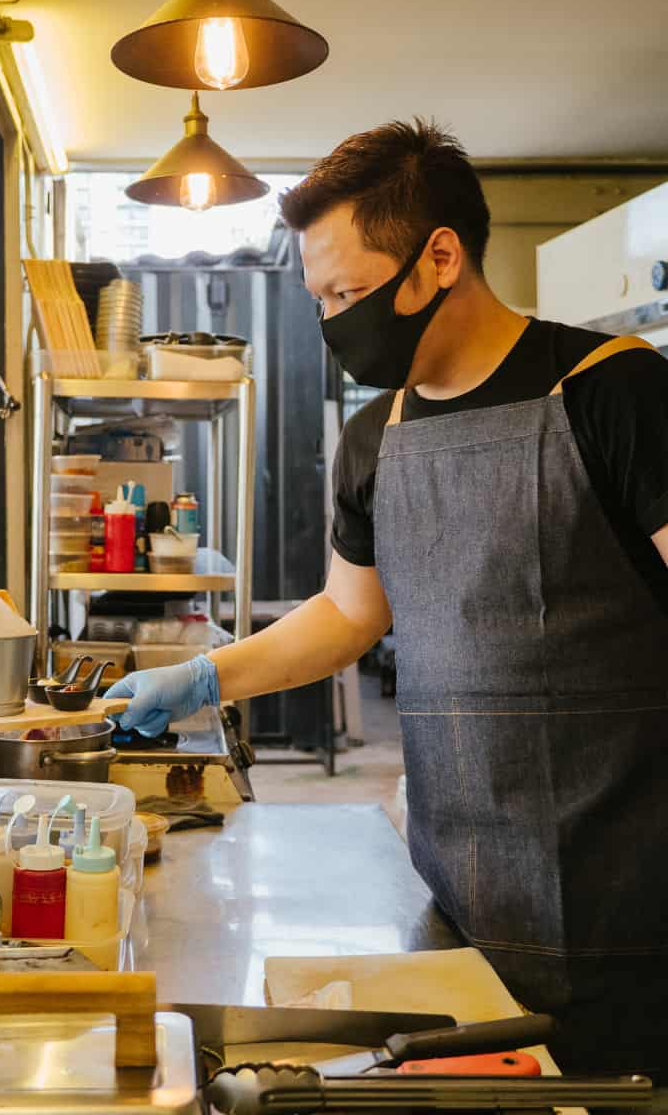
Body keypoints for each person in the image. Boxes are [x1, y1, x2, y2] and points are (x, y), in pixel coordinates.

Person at [107, 120, 668, 1075]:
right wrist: (205, 675)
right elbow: (349, 616)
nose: (334, 322)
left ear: (440, 256)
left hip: (637, 905)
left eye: (350, 292)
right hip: (460, 893)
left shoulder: (618, 394)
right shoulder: (373, 439)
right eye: (319, 298)